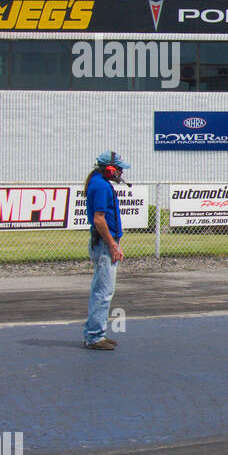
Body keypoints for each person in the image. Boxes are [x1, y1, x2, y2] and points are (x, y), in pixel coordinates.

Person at [83, 150, 128, 350]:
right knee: (103, 292)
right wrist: (112, 244)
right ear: (109, 169)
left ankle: (95, 333)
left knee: (101, 290)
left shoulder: (99, 183)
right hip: (103, 245)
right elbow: (99, 219)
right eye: (118, 169)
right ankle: (95, 336)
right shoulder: (101, 186)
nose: (120, 173)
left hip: (103, 243)